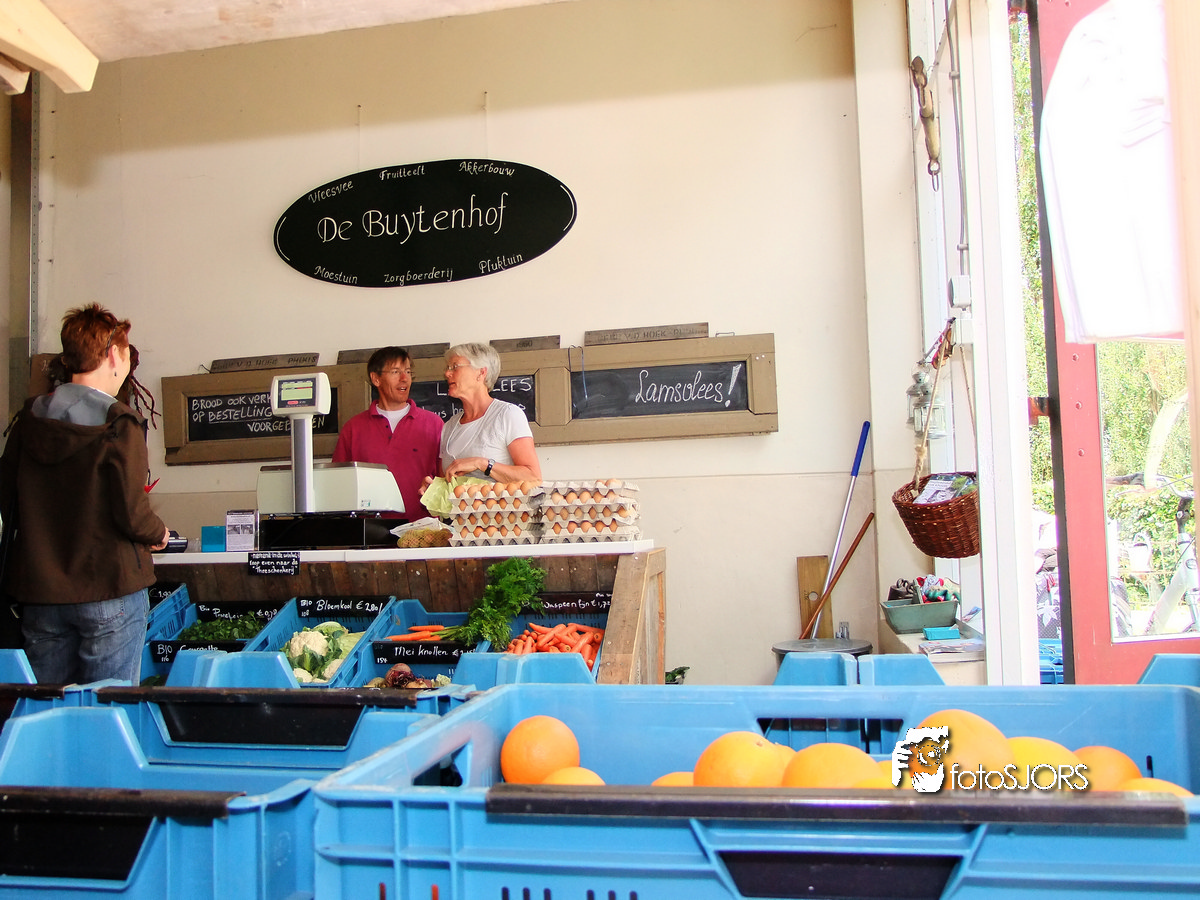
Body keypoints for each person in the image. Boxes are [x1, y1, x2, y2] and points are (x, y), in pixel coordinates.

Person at [0, 303, 170, 684]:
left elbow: (6, 497)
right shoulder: (119, 423)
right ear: (113, 355)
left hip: (41, 594)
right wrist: (158, 533)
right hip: (108, 588)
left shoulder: (29, 419)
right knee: (106, 708)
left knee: (48, 708)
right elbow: (131, 513)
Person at [332, 346, 443, 520]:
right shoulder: (353, 428)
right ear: (376, 379)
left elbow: (445, 480)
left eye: (408, 372)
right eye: (395, 372)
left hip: (424, 529)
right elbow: (339, 485)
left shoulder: (434, 424)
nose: (404, 378)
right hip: (370, 531)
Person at [435, 342, 542, 484]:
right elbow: (446, 482)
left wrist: (482, 464)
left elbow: (533, 477)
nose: (447, 374)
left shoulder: (508, 415)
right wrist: (433, 487)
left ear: (481, 372)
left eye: (455, 367)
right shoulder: (449, 427)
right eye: (448, 368)